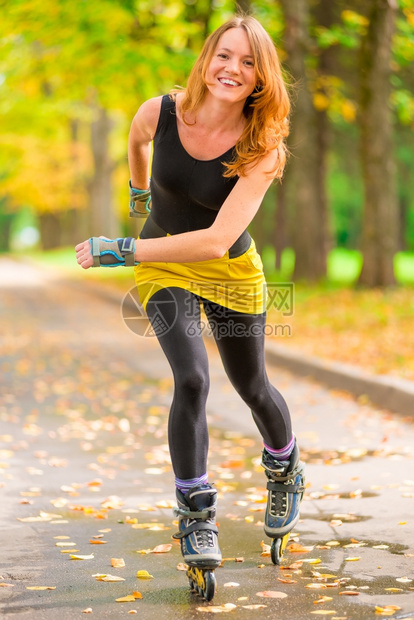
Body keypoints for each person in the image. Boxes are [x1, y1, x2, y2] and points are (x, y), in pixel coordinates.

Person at [75, 14, 305, 599]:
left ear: (261, 78)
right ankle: (197, 515)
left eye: (249, 62)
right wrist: (137, 191)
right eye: (224, 55)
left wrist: (121, 248)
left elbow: (215, 241)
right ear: (207, 58)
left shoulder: (264, 147)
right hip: (163, 265)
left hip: (226, 268)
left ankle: (284, 466)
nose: (233, 69)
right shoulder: (162, 112)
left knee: (252, 385)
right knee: (193, 380)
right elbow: (134, 138)